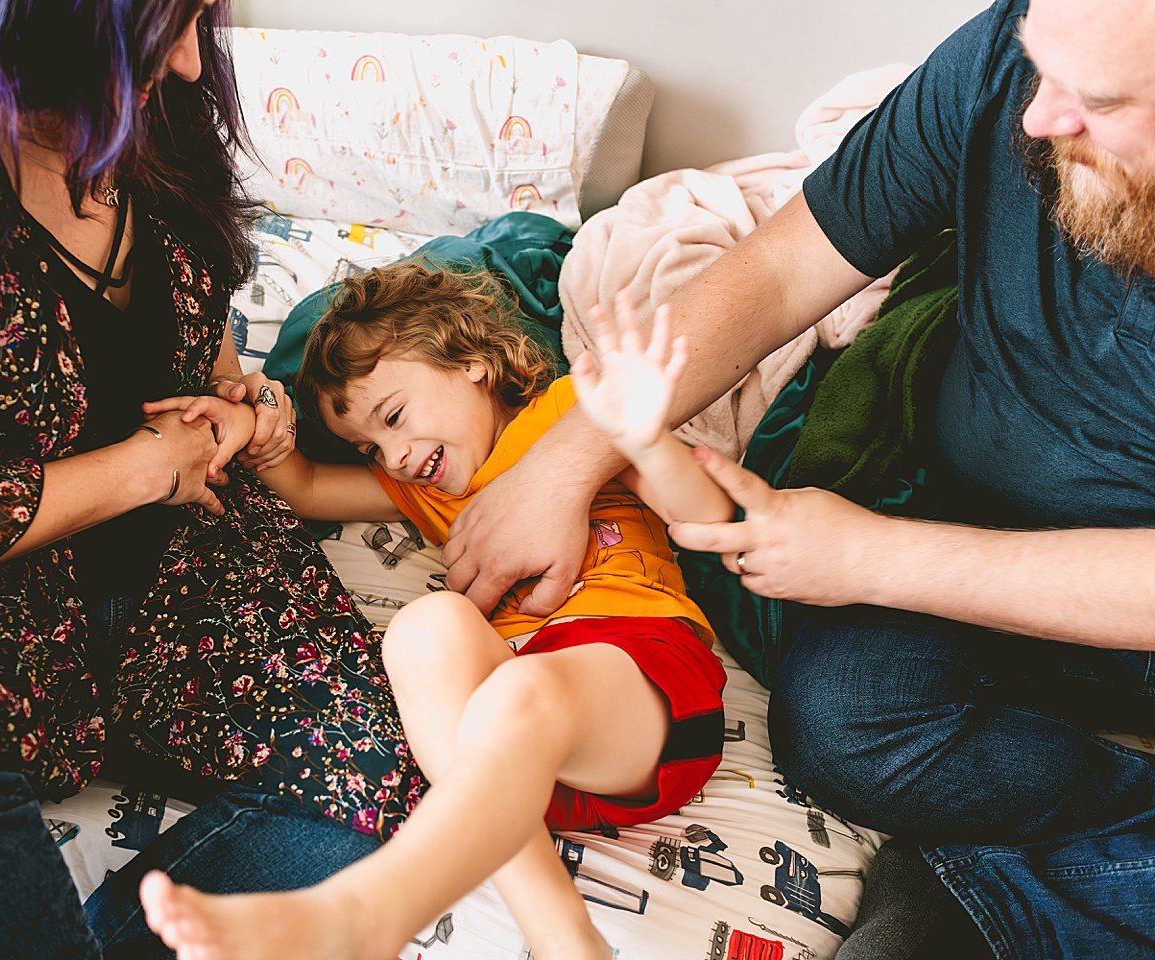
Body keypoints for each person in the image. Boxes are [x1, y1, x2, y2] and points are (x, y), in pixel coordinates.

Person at [434, 0, 1155, 957]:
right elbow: (782, 268)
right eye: (1038, 69)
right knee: (840, 722)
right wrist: (567, 459)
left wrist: (876, 558)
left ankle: (1037, 874)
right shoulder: (1015, 58)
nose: (1036, 117)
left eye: (1095, 100)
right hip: (975, 533)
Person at [0, 1, 419, 957]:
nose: (190, 62)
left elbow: (202, 316)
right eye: (170, 25)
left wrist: (239, 403)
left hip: (189, 564)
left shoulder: (150, 112)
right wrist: (148, 466)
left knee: (367, 774)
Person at [134, 261, 731, 960]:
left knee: (522, 692)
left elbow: (708, 516)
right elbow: (306, 487)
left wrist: (642, 435)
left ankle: (396, 916)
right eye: (371, 447)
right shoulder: (423, 488)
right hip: (514, 769)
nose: (395, 455)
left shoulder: (574, 414)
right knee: (424, 629)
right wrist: (254, 420)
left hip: (642, 692)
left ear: (471, 360)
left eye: (393, 417)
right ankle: (563, 934)